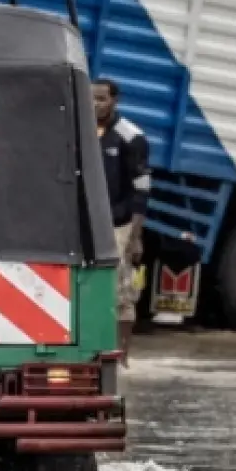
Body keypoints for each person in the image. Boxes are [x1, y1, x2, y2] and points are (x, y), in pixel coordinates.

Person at [94, 78, 150, 365]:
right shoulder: (84, 131)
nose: (95, 104)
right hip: (89, 225)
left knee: (120, 290)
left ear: (115, 100)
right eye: (91, 98)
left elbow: (141, 190)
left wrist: (135, 236)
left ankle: (122, 354)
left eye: (101, 99)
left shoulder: (131, 137)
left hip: (120, 223)